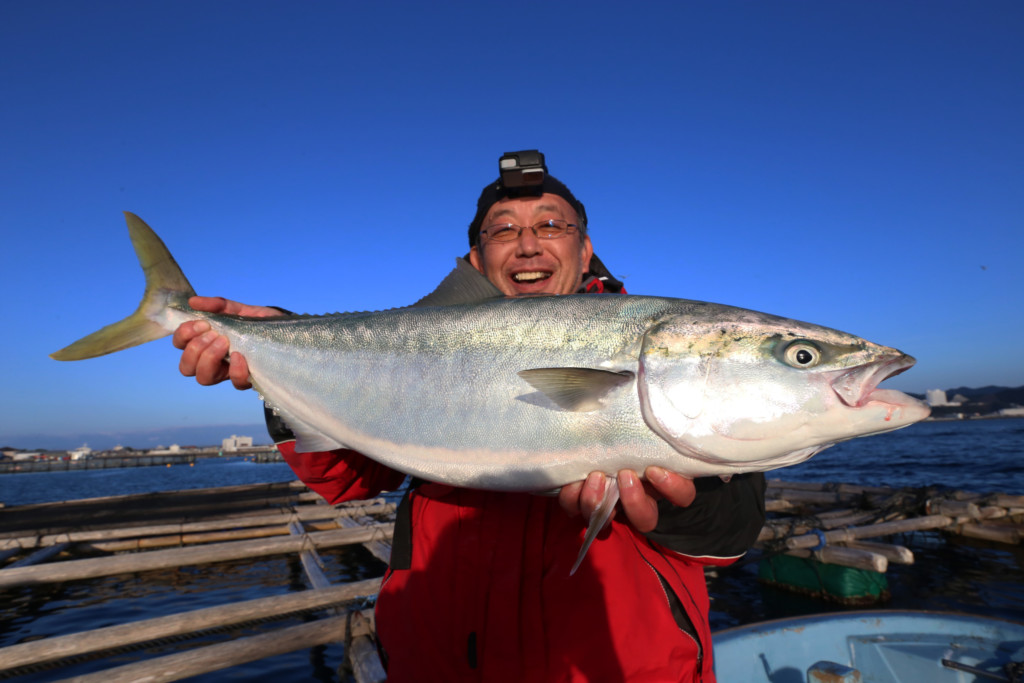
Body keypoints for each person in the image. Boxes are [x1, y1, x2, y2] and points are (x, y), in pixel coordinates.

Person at [172, 152, 766, 682]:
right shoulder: (419, 347)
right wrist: (281, 366)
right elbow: (344, 478)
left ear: (584, 249)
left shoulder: (666, 346)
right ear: (475, 260)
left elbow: (733, 535)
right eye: (503, 231)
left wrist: (678, 506)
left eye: (551, 225)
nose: (528, 244)